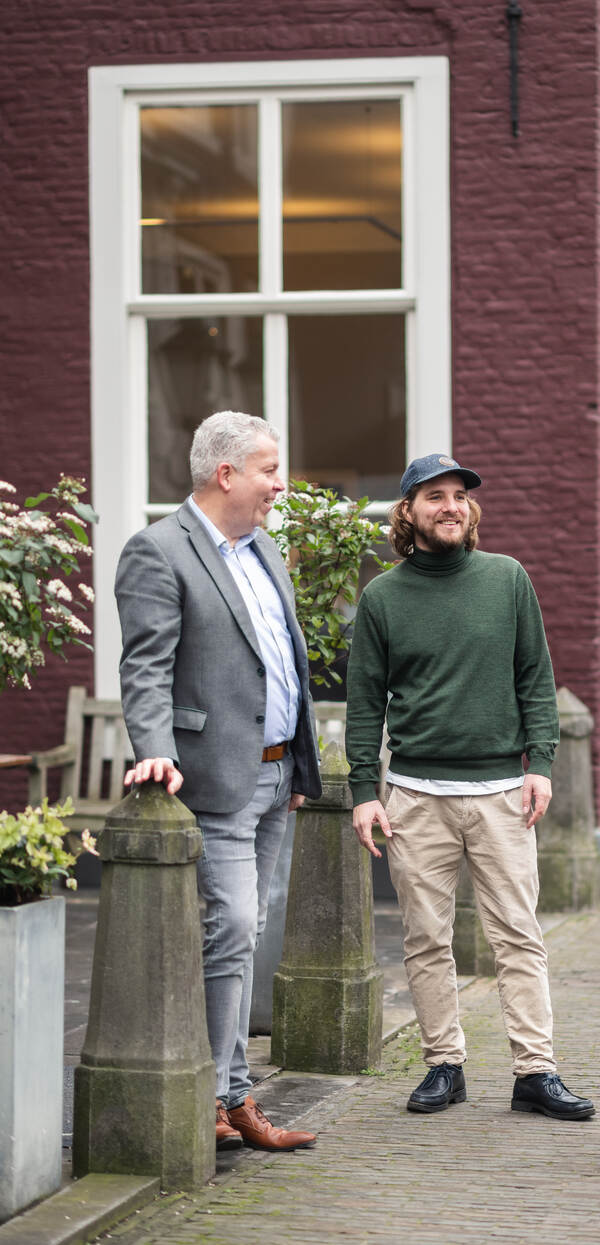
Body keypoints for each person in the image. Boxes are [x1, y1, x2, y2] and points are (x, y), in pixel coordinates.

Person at [346, 453, 595, 1121]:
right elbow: (365, 701)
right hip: (414, 795)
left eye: (459, 495)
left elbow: (536, 680)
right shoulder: (382, 598)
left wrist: (540, 761)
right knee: (427, 937)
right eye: (435, 496)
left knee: (518, 933)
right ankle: (444, 1065)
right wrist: (363, 791)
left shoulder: (507, 579)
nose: (452, 506)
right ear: (409, 511)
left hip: (499, 792)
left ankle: (535, 1072)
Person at [115, 410, 322, 1154]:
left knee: (244, 931)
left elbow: (284, 664)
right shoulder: (158, 552)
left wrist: (297, 761)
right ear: (225, 472)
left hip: (274, 780)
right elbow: (144, 666)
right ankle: (221, 1093)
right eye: (270, 468)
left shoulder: (265, 548)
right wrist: (155, 747)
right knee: (230, 928)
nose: (281, 483)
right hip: (214, 777)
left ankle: (226, 1091)